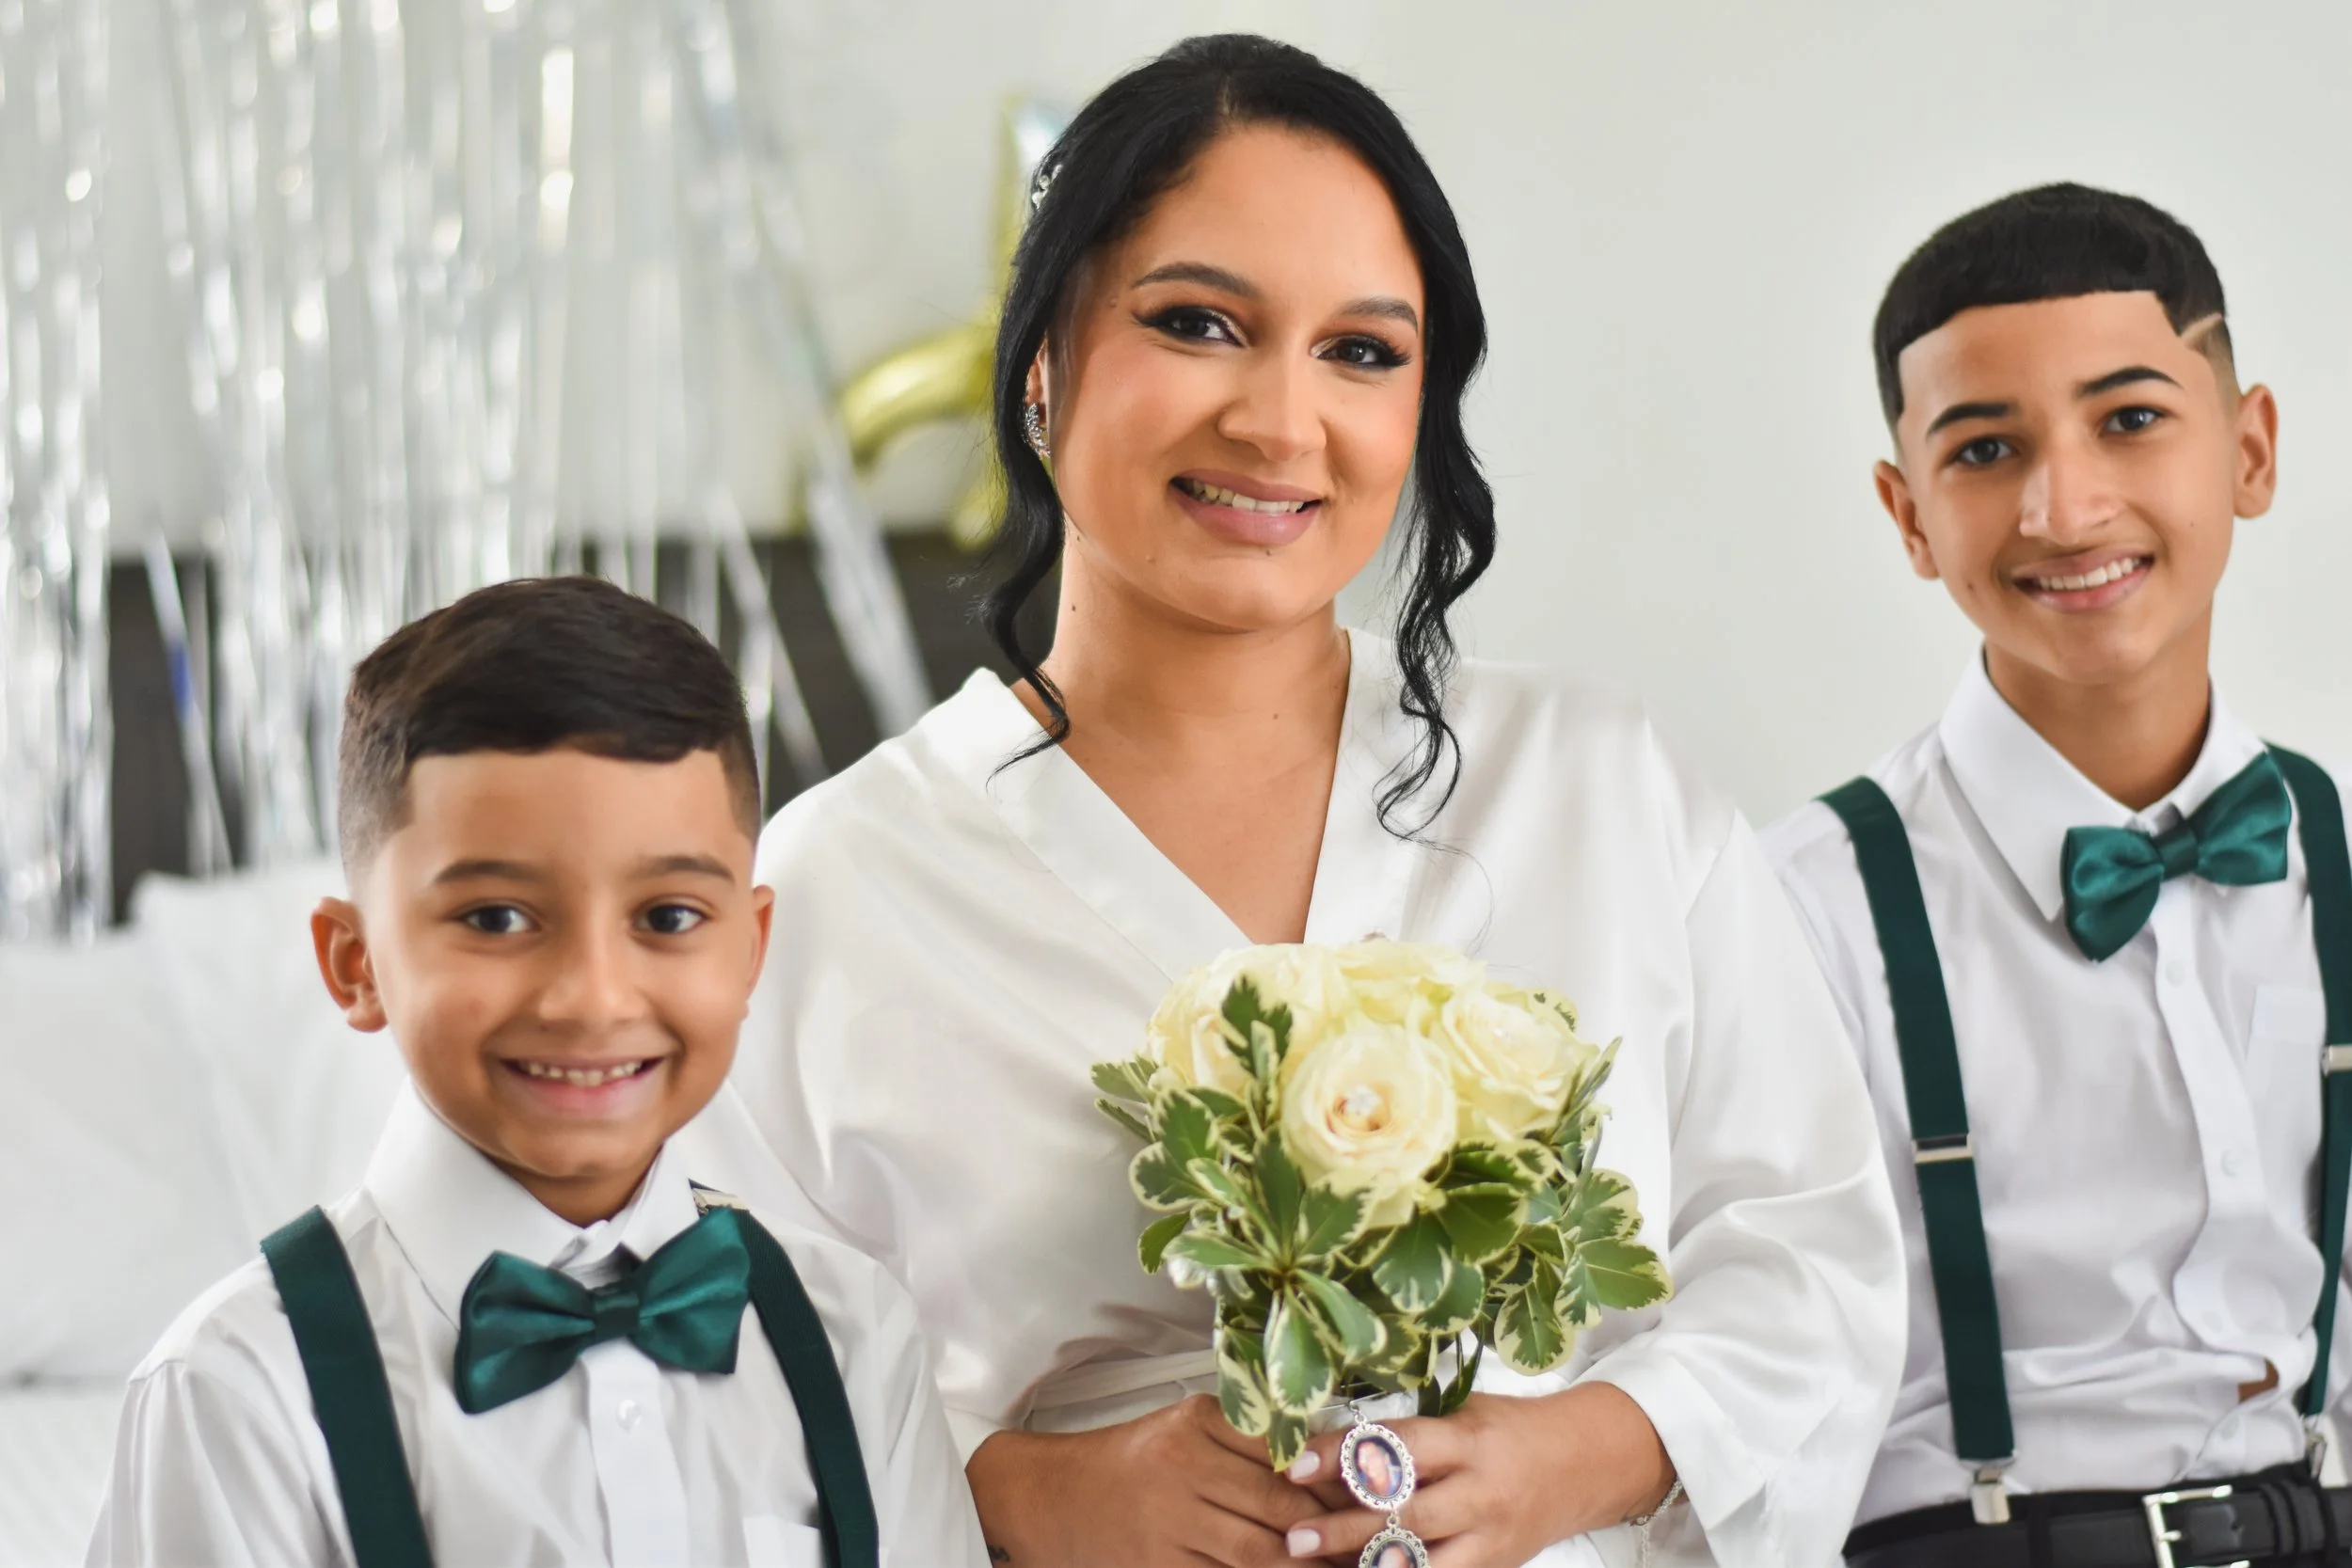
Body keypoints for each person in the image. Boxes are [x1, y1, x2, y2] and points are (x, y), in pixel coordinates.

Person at [736, 33, 1903, 1568]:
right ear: (1040, 361)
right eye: (1199, 323)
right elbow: (721, 1386)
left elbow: (1813, 1260)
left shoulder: (1601, 786)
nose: (1281, 423)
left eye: (1362, 351)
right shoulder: (839, 881)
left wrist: (1581, 1454)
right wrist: (1020, 1491)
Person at [85, 578, 987, 1567]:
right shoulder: (238, 1390)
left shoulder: (855, 1337)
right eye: (496, 917)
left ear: (751, 949)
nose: (591, 997)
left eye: (669, 916)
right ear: (356, 962)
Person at [1765, 183, 2352, 1566]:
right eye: (1985, 448)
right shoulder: (1802, 909)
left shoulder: (2337, 857)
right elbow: (1729, 1373)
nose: (2065, 504)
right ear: (1909, 517)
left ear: (2250, 449)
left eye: (2131, 419)